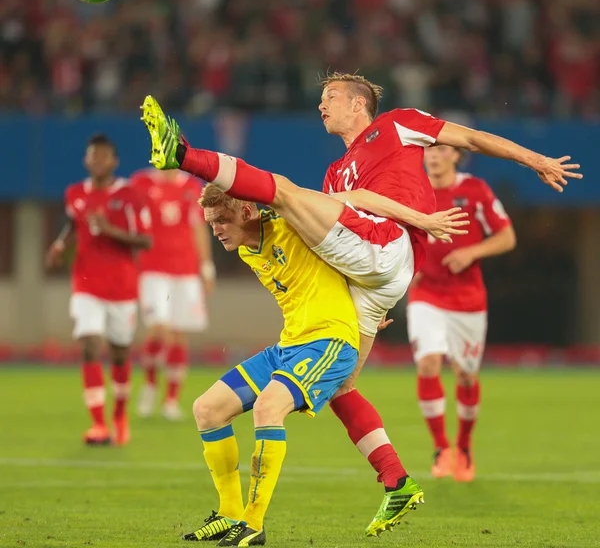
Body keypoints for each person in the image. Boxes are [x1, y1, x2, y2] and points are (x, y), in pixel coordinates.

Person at [140, 75, 580, 524]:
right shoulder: (335, 174)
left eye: (329, 98)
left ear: (358, 104)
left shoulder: (396, 125)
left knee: (287, 194)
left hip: (388, 245)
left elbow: (468, 137)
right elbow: (343, 220)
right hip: (372, 273)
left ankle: (184, 156)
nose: (320, 106)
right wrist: (369, 298)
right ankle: (397, 481)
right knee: (342, 385)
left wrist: (535, 159)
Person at [182, 184, 367, 546]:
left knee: (267, 408)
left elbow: (347, 241)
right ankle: (230, 513)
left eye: (222, 219)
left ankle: (253, 523)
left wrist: (373, 307)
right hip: (289, 346)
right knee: (207, 409)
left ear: (247, 212)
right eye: (211, 223)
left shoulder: (291, 222)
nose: (216, 229)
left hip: (330, 342)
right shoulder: (249, 250)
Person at [408, 145, 516, 482]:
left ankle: (464, 446)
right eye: (429, 149)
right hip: (426, 295)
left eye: (442, 149)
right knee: (428, 363)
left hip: (468, 300)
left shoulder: (475, 190)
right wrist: (410, 265)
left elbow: (507, 237)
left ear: (457, 155)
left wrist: (471, 252)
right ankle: (441, 448)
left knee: (466, 375)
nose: (434, 155)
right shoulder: (414, 191)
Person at [46, 134, 151, 445]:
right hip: (86, 284)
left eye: (103, 157)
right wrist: (60, 246)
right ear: (86, 160)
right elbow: (72, 224)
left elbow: (145, 240)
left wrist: (110, 230)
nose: (97, 161)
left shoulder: (129, 195)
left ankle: (120, 414)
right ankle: (98, 425)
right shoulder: (75, 193)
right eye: (93, 156)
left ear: (114, 162)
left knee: (119, 354)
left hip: (122, 287)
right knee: (89, 344)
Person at [131, 168, 216, 421]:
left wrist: (206, 267)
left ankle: (171, 399)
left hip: (185, 269)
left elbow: (198, 227)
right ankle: (149, 384)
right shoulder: (142, 183)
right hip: (153, 269)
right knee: (159, 327)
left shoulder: (191, 187)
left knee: (178, 332)